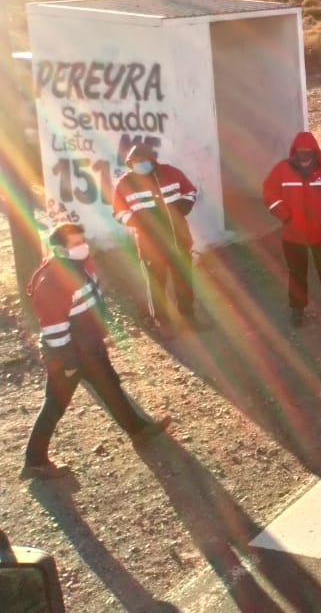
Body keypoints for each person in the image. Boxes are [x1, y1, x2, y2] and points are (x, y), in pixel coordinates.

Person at [21, 223, 171, 480]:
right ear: (60, 250)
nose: (83, 247)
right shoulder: (51, 283)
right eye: (76, 244)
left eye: (83, 241)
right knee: (56, 404)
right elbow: (55, 331)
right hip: (69, 353)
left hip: (88, 348)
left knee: (110, 385)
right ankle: (34, 461)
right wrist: (68, 363)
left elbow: (93, 302)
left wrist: (101, 334)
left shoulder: (82, 264)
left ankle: (138, 429)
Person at [262, 131, 321, 327]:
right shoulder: (282, 169)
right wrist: (284, 216)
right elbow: (269, 194)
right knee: (297, 273)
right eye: (300, 150)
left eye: (308, 151)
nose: (303, 154)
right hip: (293, 234)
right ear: (294, 151)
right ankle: (297, 308)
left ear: (315, 151)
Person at [111, 142, 200, 336]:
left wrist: (184, 206)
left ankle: (188, 316)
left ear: (152, 160)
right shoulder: (124, 183)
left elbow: (190, 191)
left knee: (184, 280)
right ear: (130, 163)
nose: (139, 164)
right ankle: (163, 322)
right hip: (150, 244)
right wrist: (136, 222)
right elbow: (118, 212)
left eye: (143, 161)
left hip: (178, 240)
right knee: (157, 285)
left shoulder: (171, 173)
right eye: (134, 161)